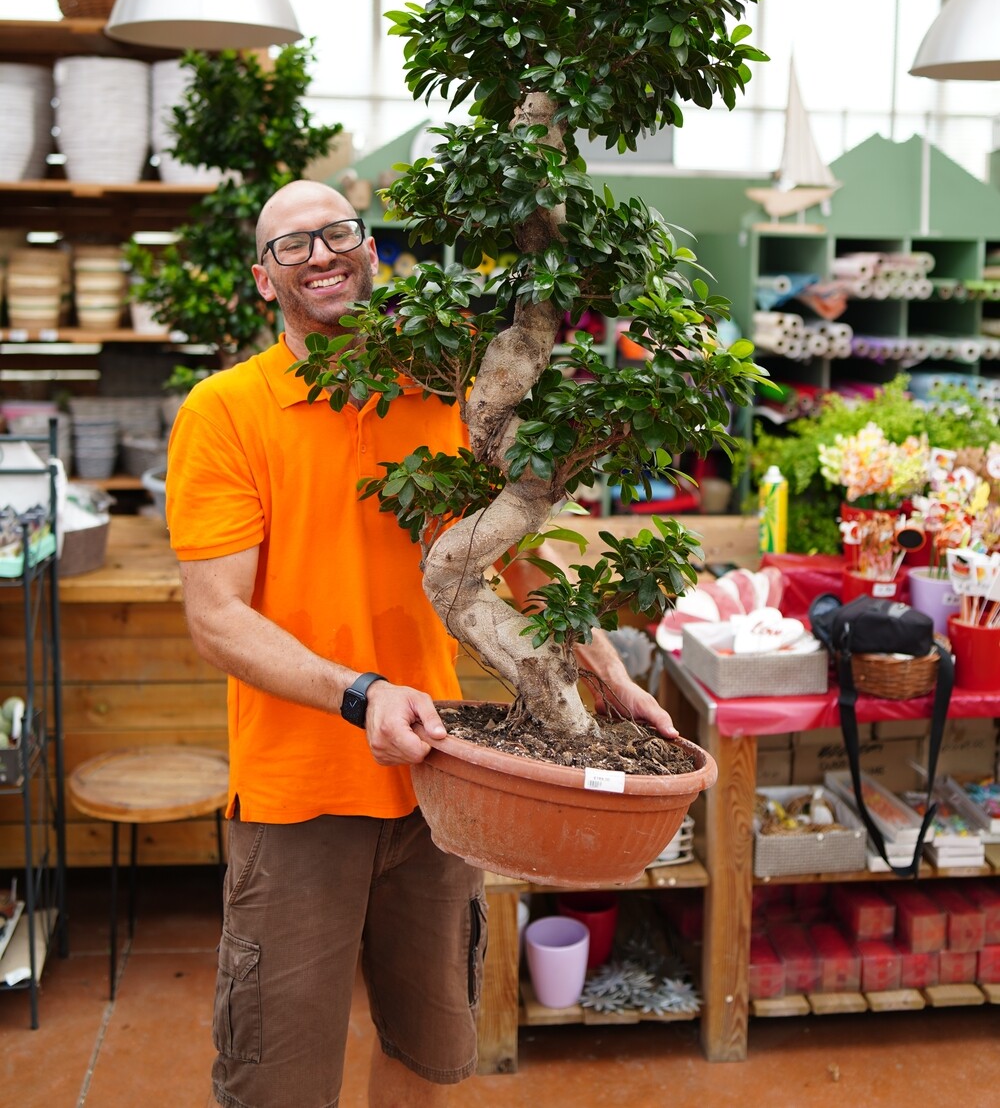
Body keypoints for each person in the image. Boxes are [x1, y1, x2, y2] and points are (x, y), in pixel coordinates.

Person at [167, 178, 676, 1108]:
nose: (320, 254)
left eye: (338, 233)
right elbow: (217, 617)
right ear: (262, 279)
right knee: (277, 1076)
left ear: (372, 250)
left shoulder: (445, 394)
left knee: (427, 1047)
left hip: (447, 780)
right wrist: (361, 695)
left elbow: (515, 556)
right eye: (293, 245)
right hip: (300, 796)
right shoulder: (226, 412)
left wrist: (606, 670)